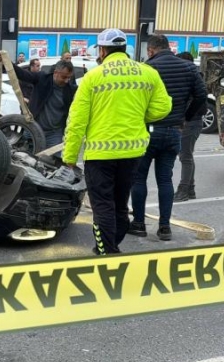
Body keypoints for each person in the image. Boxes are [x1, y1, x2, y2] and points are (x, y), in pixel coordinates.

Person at [63, 28, 172, 255]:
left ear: (102, 50)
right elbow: (163, 106)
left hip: (100, 155)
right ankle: (114, 246)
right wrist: (140, 115)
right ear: (125, 49)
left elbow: (77, 121)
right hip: (133, 152)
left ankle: (107, 252)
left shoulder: (93, 77)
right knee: (120, 204)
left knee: (102, 206)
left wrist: (70, 157)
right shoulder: (147, 72)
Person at [129, 34, 207, 241]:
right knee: (165, 179)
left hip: (148, 131)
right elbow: (202, 95)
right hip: (174, 130)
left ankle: (138, 224)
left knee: (139, 178)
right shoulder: (188, 68)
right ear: (168, 47)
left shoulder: (146, 68)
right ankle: (164, 228)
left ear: (151, 50)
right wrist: (185, 117)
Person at [11, 59, 76, 151]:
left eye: (69, 77)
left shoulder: (70, 90)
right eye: (64, 77)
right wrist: (8, 62)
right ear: (56, 72)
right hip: (33, 129)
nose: (66, 80)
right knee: (26, 159)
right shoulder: (42, 78)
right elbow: (23, 74)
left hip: (54, 134)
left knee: (56, 162)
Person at [174, 51, 207, 202]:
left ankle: (184, 189)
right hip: (192, 121)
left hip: (191, 122)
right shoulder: (194, 77)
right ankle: (190, 189)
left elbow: (201, 105)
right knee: (186, 155)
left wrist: (186, 117)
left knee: (185, 156)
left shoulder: (193, 79)